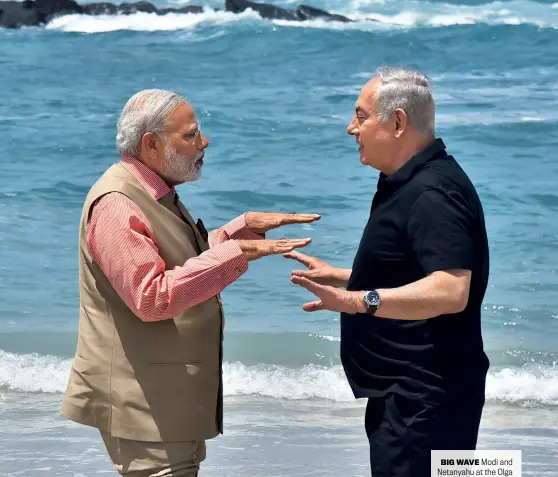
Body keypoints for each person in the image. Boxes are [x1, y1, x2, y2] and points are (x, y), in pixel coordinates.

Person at [61, 89, 320, 477]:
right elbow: (151, 297)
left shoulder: (155, 191)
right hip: (143, 404)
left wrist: (238, 232)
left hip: (164, 398)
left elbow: (178, 262)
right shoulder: (118, 202)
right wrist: (236, 255)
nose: (205, 142)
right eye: (191, 135)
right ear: (151, 144)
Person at [286, 66, 490, 476]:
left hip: (426, 402)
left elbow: (451, 290)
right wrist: (349, 276)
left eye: (361, 117)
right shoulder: (406, 180)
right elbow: (417, 270)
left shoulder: (434, 192)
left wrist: (358, 300)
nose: (350, 129)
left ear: (397, 122)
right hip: (410, 396)